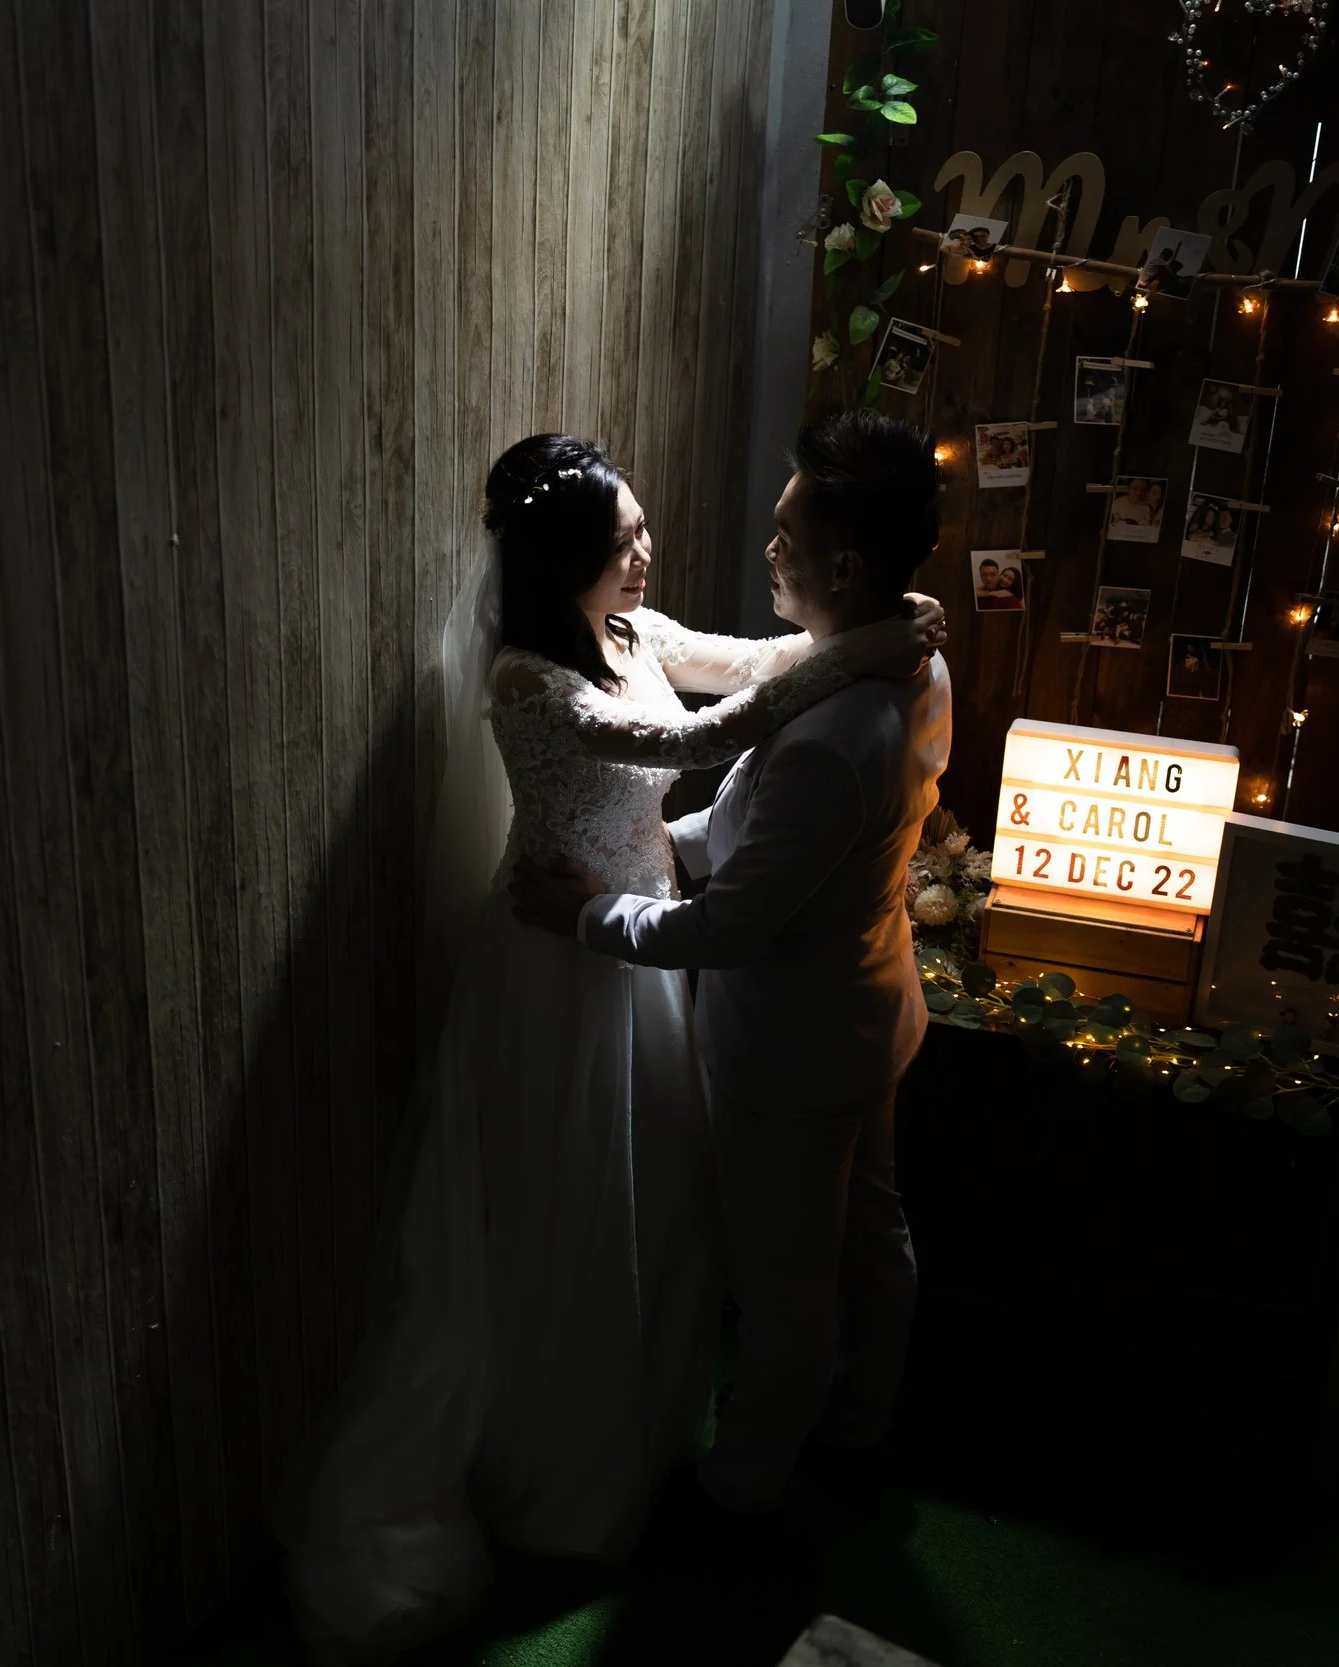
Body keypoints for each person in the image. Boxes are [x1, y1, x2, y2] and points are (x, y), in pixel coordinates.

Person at [276, 432, 946, 1659]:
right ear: (563, 563)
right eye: (623, 538)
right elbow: (690, 743)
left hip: (648, 945)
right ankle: (569, 1431)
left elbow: (749, 662)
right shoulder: (528, 678)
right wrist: (872, 639)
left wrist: (862, 636)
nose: (650, 549)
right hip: (560, 961)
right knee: (572, 1201)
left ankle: (703, 1426)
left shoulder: (636, 632)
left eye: (640, 529)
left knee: (664, 1193)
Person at [511, 409, 952, 1517]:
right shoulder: (911, 662)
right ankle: (864, 1420)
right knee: (873, 1231)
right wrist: (671, 847)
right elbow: (767, 836)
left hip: (794, 1048)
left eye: (785, 531)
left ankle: (743, 1488)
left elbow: (725, 927)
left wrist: (590, 913)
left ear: (842, 564)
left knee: (784, 1285)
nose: (768, 548)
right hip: (876, 1005)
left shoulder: (829, 734)